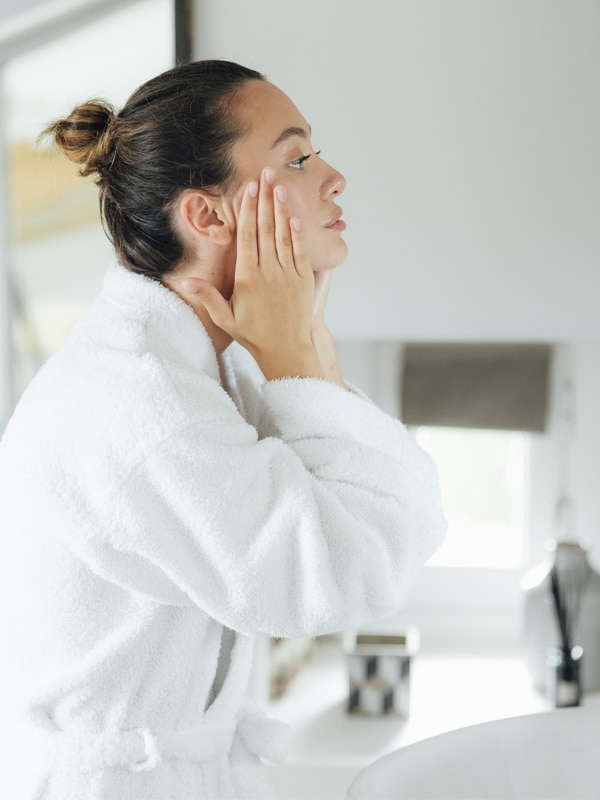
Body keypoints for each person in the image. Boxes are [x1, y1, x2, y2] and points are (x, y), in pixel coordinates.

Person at [0, 60, 445, 800]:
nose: (334, 178)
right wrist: (297, 355)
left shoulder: (205, 371)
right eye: (297, 158)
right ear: (208, 216)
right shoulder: (141, 408)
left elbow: (395, 524)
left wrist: (303, 345)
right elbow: (350, 577)